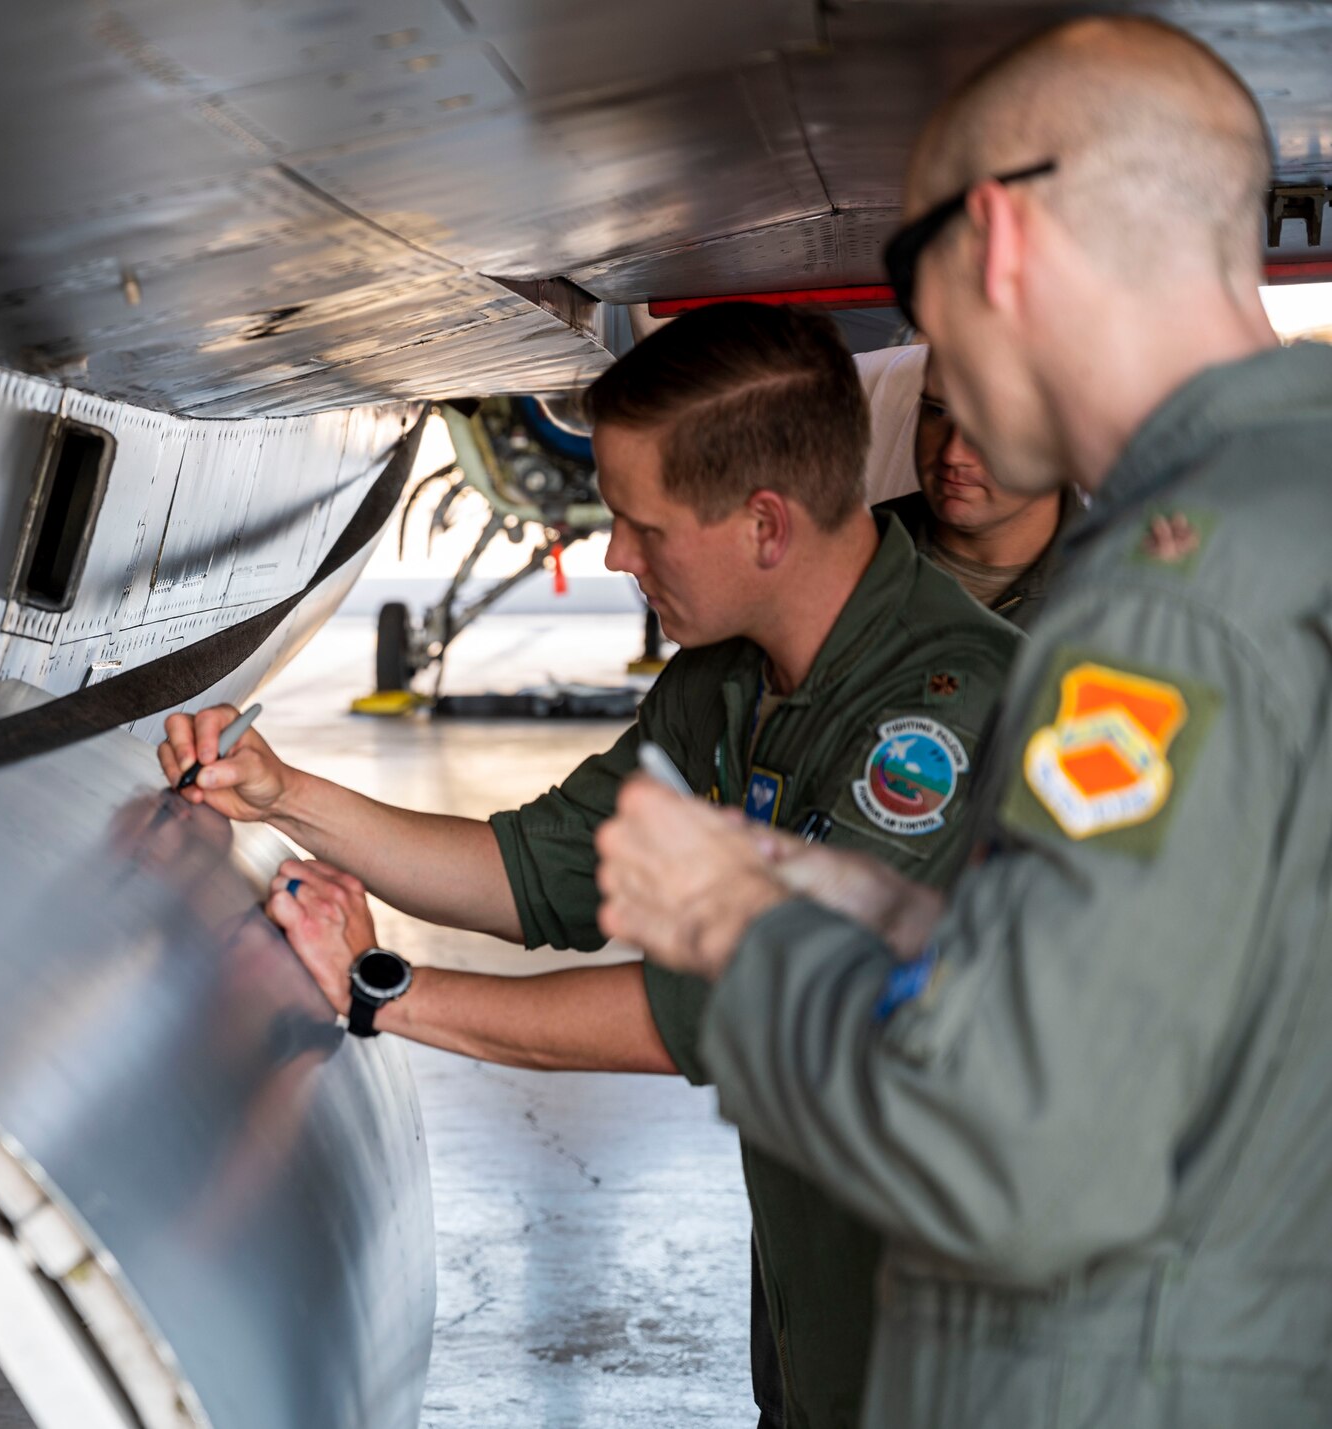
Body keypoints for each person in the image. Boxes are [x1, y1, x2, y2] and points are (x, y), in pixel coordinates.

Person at [595, 17, 1332, 1427]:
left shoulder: (1164, 611)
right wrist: (854, 899)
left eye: (916, 290)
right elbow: (1217, 985)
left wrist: (746, 943)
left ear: (995, 241)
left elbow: (1023, 1150)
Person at [160, 302, 1022, 1429]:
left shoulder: (943, 719)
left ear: (763, 525)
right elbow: (534, 873)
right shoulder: (728, 681)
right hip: (836, 1322)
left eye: (643, 526)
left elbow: (727, 1011)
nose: (614, 554)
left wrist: (388, 993)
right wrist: (285, 796)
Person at [877, 358, 1075, 625]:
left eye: (991, 422)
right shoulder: (853, 548)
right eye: (938, 411)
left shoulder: (1123, 598)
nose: (952, 454)